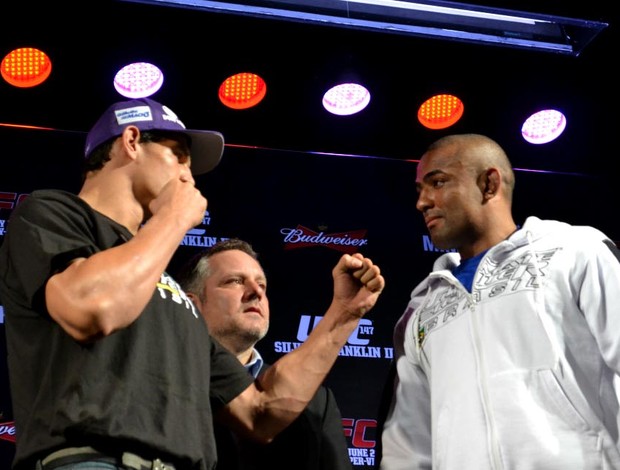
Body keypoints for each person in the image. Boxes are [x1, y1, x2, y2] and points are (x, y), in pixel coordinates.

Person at [0, 97, 385, 470]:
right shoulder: (52, 213)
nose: (188, 174)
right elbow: (91, 309)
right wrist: (173, 218)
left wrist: (344, 316)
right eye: (178, 155)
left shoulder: (172, 294)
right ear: (132, 142)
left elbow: (260, 412)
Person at [378, 133, 620, 469]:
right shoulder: (421, 310)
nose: (423, 202)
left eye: (438, 182)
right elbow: (407, 444)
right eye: (420, 190)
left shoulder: (575, 252)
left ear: (489, 184)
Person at [177, 238, 353, 470]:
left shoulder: (314, 402)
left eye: (262, 284)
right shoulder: (165, 381)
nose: (255, 292)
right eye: (234, 281)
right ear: (192, 305)